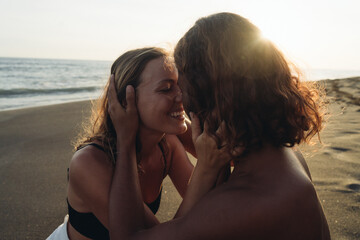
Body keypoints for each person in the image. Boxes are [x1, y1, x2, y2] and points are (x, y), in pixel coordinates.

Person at [107, 12, 331, 239]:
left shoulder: (241, 203)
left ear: (205, 90)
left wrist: (125, 143)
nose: (180, 95)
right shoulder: (285, 156)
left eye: (181, 80)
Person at [47, 47, 195, 240]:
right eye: (166, 88)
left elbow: (208, 202)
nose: (181, 95)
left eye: (180, 86)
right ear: (126, 100)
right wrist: (208, 165)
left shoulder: (167, 144)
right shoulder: (90, 161)